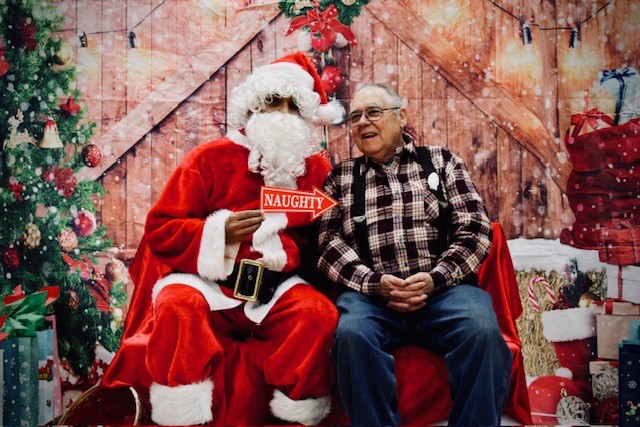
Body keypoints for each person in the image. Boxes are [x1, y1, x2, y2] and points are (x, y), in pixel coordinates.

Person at [100, 52, 344, 426]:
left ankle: (297, 417)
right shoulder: (207, 159)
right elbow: (162, 228)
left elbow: (329, 233)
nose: (282, 113)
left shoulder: (315, 168)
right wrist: (220, 232)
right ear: (252, 107)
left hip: (275, 289)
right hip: (210, 284)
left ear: (307, 115)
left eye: (293, 106)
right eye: (272, 101)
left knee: (318, 315)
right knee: (177, 304)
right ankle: (182, 417)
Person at [317, 83, 513, 426]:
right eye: (356, 117)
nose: (363, 123)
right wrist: (375, 283)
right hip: (373, 299)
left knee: (482, 331)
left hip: (445, 292)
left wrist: (436, 278)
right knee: (352, 335)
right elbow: (328, 246)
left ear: (401, 116)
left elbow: (474, 230)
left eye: (373, 112)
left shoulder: (442, 162)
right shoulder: (341, 178)